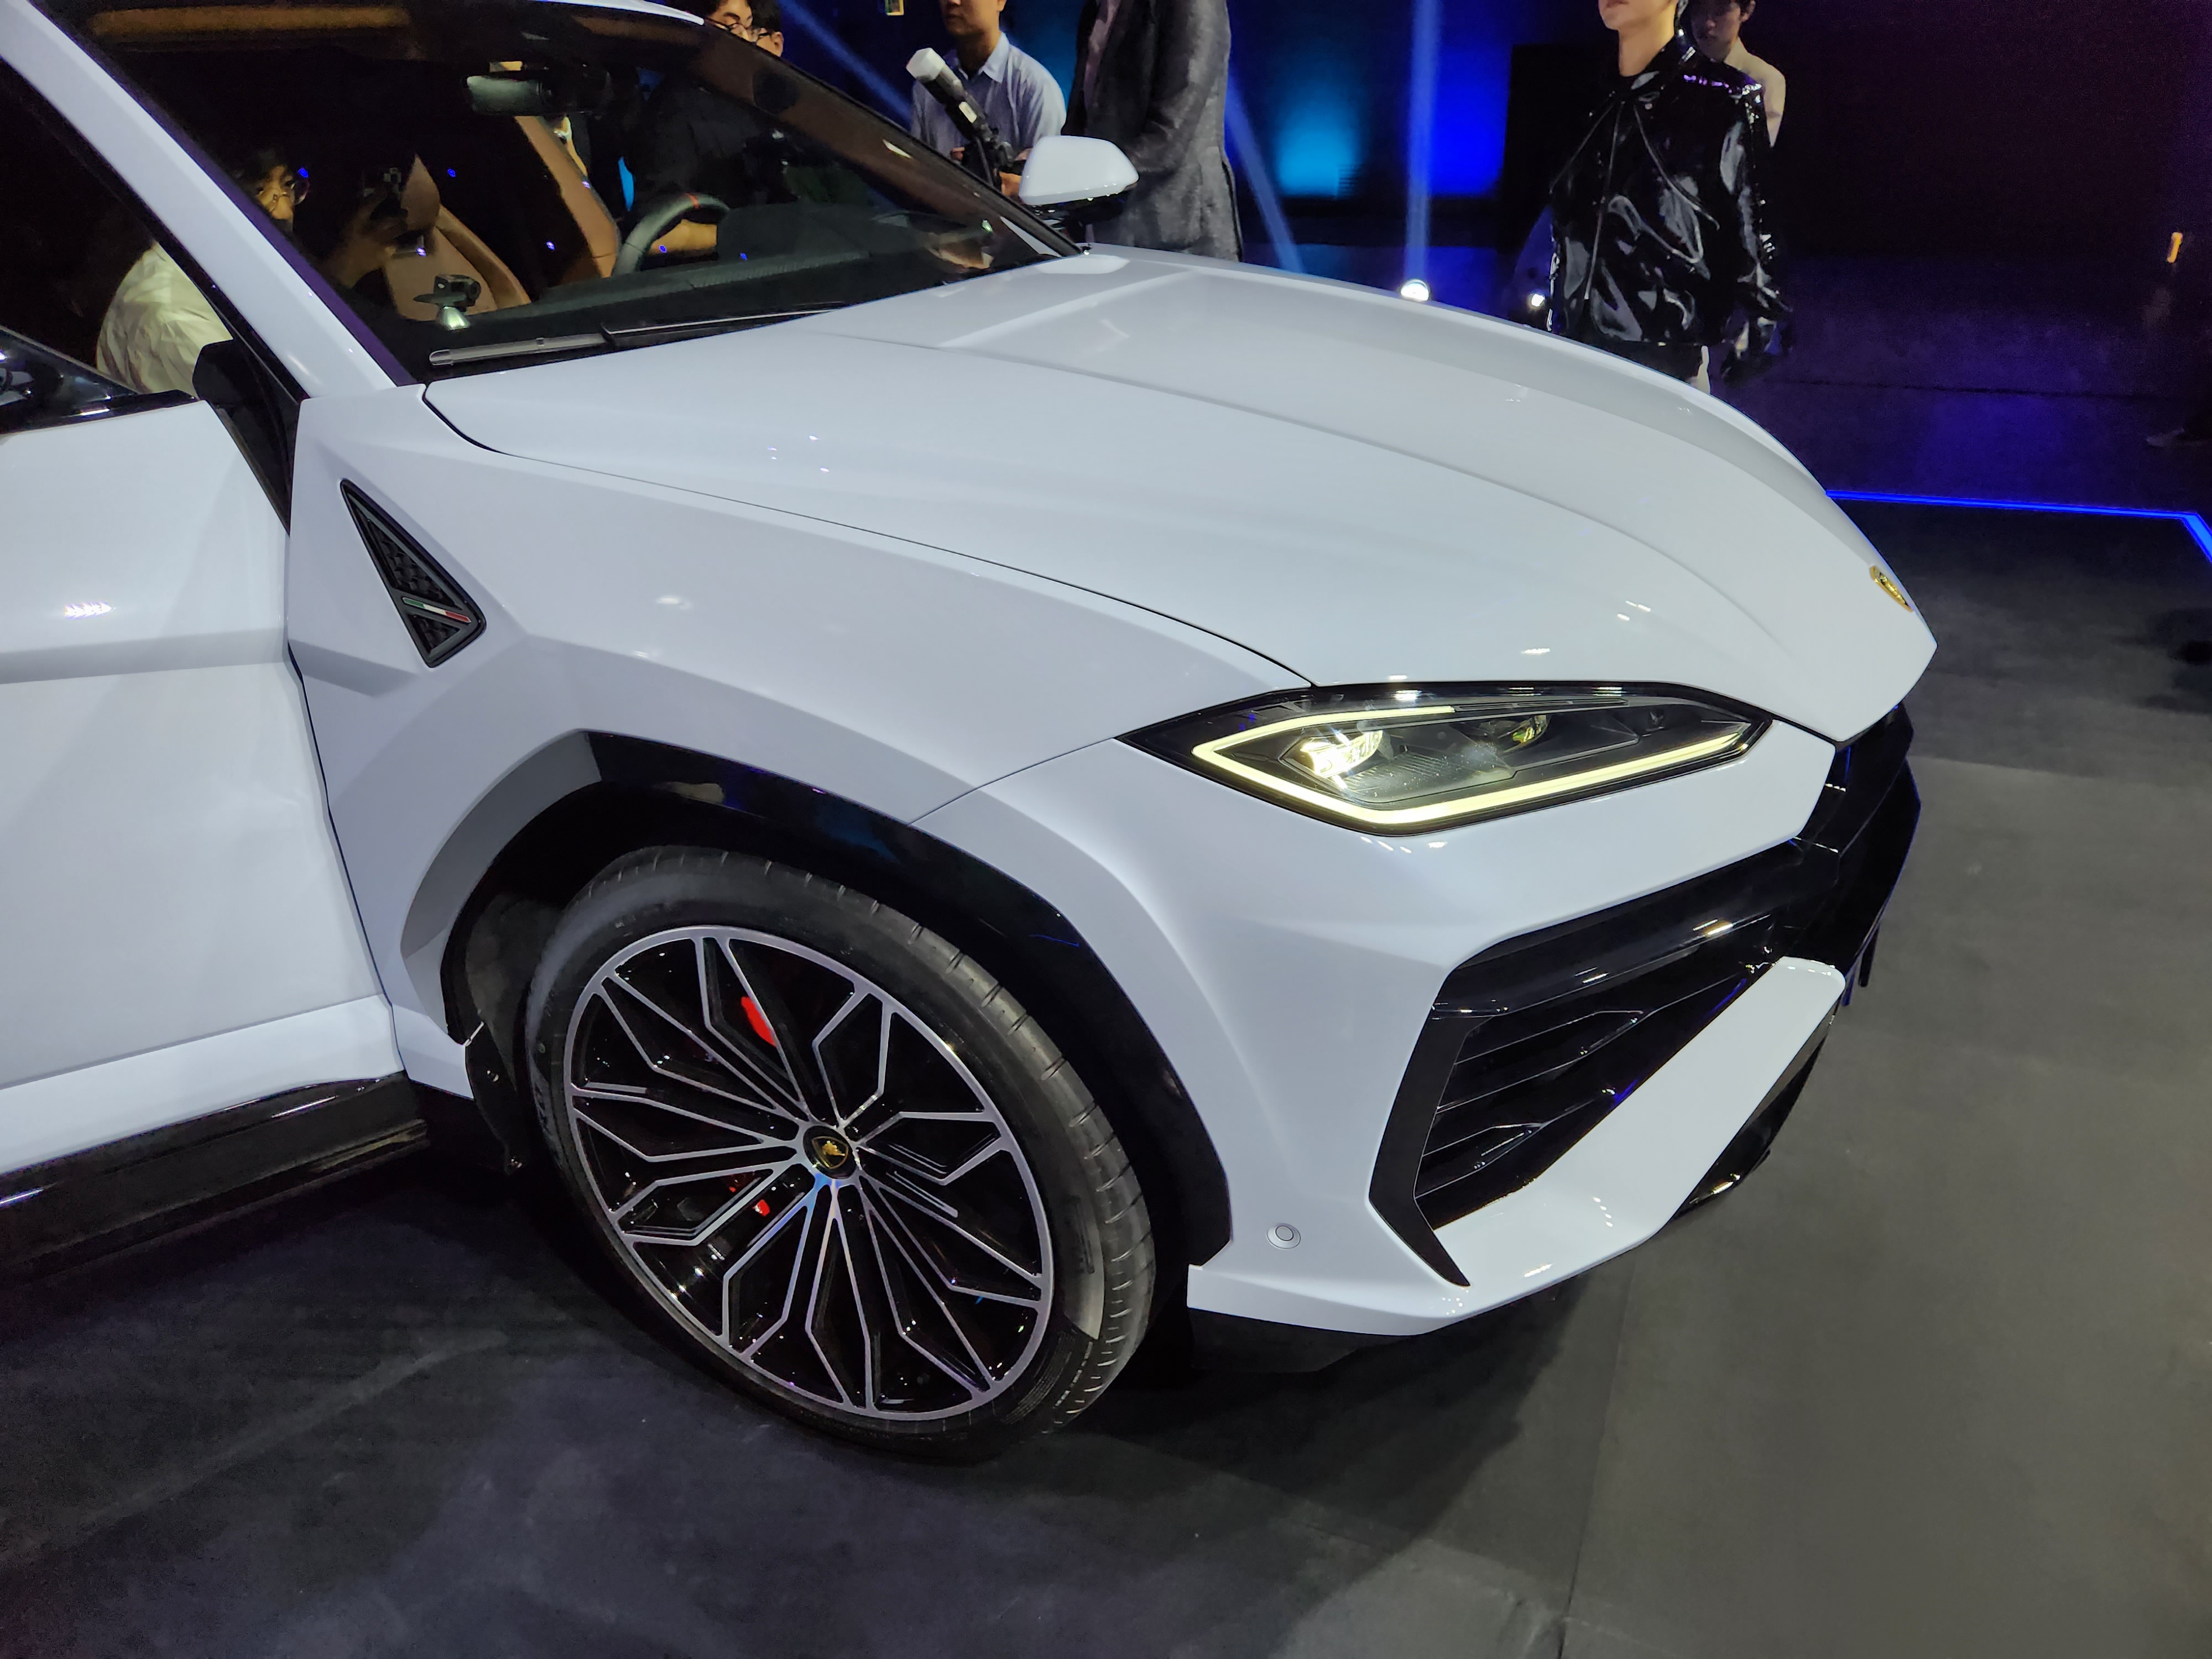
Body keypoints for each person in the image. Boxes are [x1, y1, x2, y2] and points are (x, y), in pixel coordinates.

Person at [1550, 0, 1785, 386]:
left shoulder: (1724, 99)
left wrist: (1766, 320)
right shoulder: (1587, 96)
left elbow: (1754, 223)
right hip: (1572, 347)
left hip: (1662, 362)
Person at [96, 146, 302, 395]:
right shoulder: (175, 322)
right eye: (258, 191)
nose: (286, 212)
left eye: (288, 186)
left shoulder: (227, 276)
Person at [1067, 0, 1239, 259]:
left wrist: (1078, 177)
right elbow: (1084, 112)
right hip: (1108, 226)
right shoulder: (1097, 6)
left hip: (1177, 236)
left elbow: (1169, 134)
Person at [626, 0, 787, 260]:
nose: (744, 39)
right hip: (717, 275)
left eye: (749, 27)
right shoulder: (675, 112)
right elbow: (658, 238)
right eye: (732, 25)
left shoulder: (750, 106)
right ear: (692, 27)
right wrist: (745, 235)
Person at [909, 0, 1064, 196]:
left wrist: (1007, 185)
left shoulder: (1035, 88)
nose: (952, 1)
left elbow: (1049, 192)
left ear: (1000, 2)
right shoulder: (928, 87)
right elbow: (916, 177)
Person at [1688, 0, 1785, 145]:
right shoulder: (1677, 73)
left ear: (1746, 12)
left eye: (1720, 11)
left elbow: (1754, 152)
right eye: (1699, 10)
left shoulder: (1764, 79)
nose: (1708, 23)